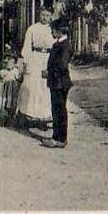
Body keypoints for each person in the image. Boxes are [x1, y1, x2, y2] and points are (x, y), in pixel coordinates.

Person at [17, 8, 54, 128]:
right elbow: (27, 46)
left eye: (47, 15)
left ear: (51, 16)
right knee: (32, 86)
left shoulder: (53, 29)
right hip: (35, 59)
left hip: (48, 59)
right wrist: (26, 62)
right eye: (42, 15)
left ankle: (44, 117)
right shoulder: (33, 28)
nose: (44, 17)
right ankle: (29, 115)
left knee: (45, 88)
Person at [42, 18, 73, 149]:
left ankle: (59, 139)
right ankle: (57, 136)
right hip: (57, 82)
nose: (51, 32)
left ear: (59, 31)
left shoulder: (65, 45)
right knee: (57, 109)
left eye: (52, 30)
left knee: (59, 110)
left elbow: (62, 65)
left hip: (60, 82)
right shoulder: (59, 44)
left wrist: (50, 73)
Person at [0, 55, 24, 125]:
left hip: (13, 90)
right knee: (5, 102)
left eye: (11, 62)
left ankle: (11, 116)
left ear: (15, 64)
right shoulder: (4, 71)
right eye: (8, 62)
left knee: (12, 102)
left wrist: (20, 76)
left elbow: (19, 78)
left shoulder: (16, 71)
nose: (9, 64)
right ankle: (4, 117)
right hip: (6, 90)